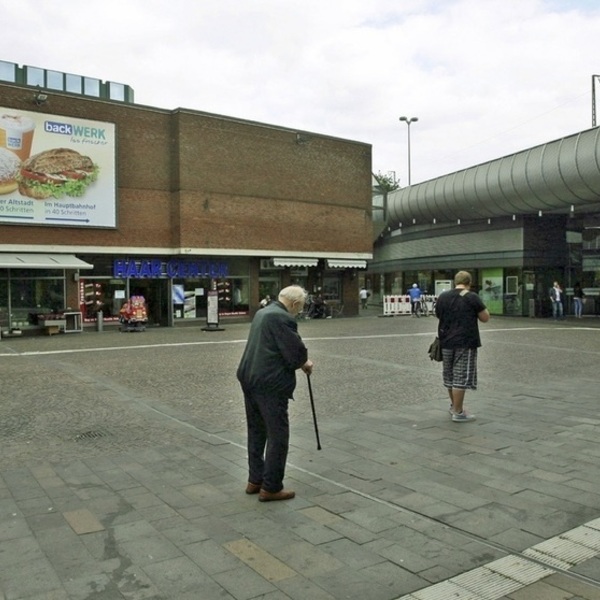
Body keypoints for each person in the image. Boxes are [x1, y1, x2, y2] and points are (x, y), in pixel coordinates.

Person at [236, 285, 314, 502]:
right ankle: (271, 486)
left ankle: (255, 480)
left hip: (249, 377)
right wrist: (305, 363)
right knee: (278, 434)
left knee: (256, 430)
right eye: (301, 306)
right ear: (296, 304)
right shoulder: (282, 318)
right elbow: (294, 351)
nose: (300, 310)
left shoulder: (263, 312)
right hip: (269, 383)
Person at [435, 271, 490, 422]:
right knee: (460, 375)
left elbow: (438, 314)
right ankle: (458, 412)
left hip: (445, 341)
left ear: (455, 282)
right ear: (469, 282)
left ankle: (454, 406)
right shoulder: (472, 297)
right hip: (465, 341)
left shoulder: (443, 297)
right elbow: (485, 317)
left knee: (450, 375)